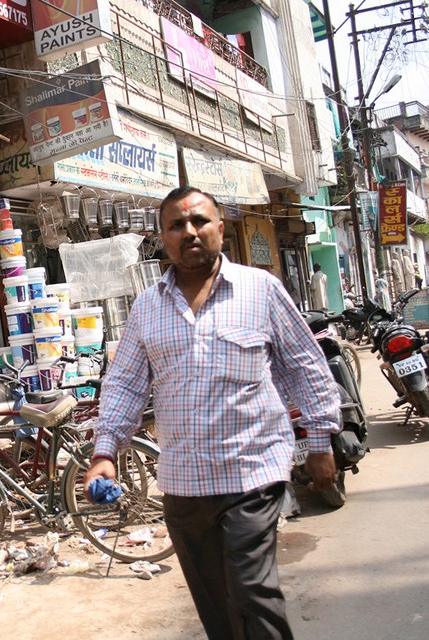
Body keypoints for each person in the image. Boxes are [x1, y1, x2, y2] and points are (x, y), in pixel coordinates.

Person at [84, 186, 340, 640]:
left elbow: (304, 364)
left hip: (252, 475)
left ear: (221, 228)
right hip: (184, 483)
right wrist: (105, 451)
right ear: (162, 237)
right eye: (176, 225)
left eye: (200, 221)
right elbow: (124, 383)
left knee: (252, 594)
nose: (190, 232)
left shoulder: (260, 290)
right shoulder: (147, 308)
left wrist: (320, 441)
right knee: (214, 605)